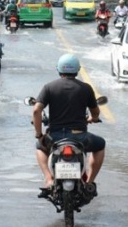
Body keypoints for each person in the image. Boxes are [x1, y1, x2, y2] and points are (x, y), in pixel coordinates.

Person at [33, 54, 105, 196]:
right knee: (100, 145)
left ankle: (48, 179)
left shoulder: (49, 87)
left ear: (59, 69)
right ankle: (89, 182)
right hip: (80, 137)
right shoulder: (85, 88)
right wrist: (93, 118)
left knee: (39, 147)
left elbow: (36, 110)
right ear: (77, 70)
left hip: (55, 136)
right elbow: (95, 111)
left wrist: (39, 135)